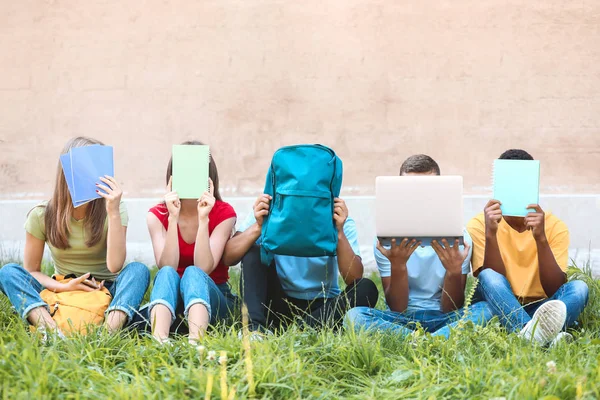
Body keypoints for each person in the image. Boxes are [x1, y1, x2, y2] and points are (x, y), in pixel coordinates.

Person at [0, 137, 150, 338]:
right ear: (67, 173)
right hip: (61, 288)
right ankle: (50, 331)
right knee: (8, 272)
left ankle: (107, 334)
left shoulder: (115, 209)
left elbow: (115, 266)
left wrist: (113, 211)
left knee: (138, 271)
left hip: (105, 287)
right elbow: (32, 272)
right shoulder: (41, 214)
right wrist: (63, 286)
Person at [345, 155, 492, 338]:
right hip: (404, 320)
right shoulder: (387, 239)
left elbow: (450, 308)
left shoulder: (458, 238)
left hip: (444, 318)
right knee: (355, 316)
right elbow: (398, 308)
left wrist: (454, 271)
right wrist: (398, 266)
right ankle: (435, 340)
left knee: (487, 309)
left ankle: (419, 341)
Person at [468, 149, 589, 346]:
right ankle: (540, 337)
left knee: (579, 288)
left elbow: (555, 288)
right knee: (487, 276)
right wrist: (491, 234)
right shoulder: (479, 224)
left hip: (543, 308)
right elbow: (493, 282)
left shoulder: (555, 226)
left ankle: (527, 333)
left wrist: (541, 238)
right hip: (500, 306)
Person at [222, 193, 379, 335]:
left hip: (322, 306)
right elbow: (229, 257)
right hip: (277, 302)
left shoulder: (337, 217)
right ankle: (253, 330)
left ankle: (301, 329)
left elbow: (354, 278)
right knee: (253, 251)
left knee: (367, 287)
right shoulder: (270, 209)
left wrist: (338, 232)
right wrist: (259, 226)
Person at [143, 141, 237, 344]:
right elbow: (167, 265)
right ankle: (159, 341)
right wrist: (172, 218)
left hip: (214, 298)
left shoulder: (224, 213)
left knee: (193, 273)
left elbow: (203, 268)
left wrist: (204, 219)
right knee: (166, 272)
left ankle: (196, 341)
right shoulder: (156, 215)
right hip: (173, 300)